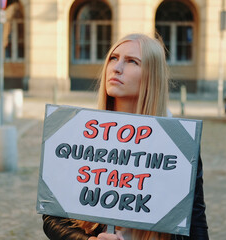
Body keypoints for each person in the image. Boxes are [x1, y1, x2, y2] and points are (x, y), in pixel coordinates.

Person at [42, 33, 209, 240]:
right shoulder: (82, 133)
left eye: (132, 61)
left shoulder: (179, 144)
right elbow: (52, 217)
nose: (117, 68)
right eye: (114, 58)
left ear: (152, 75)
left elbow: (196, 221)